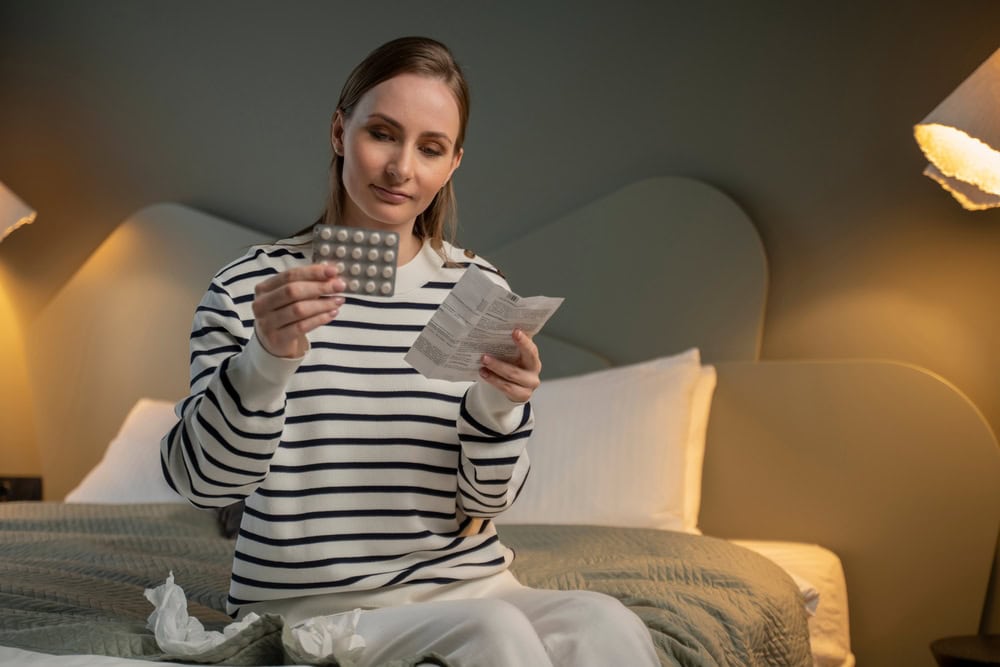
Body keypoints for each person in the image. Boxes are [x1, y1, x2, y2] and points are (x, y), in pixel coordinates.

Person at [161, 36, 659, 667]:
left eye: (430, 148)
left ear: (453, 164)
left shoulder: (477, 289)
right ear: (339, 132)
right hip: (316, 604)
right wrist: (266, 360)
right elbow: (204, 483)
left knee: (603, 621)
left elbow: (488, 503)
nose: (401, 168)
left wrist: (499, 408)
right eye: (382, 134)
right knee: (493, 634)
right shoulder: (249, 289)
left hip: (473, 585)